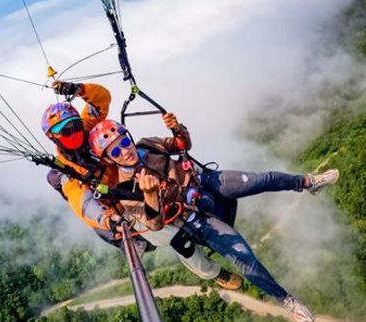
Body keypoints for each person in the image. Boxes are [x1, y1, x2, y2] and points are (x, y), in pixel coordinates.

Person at [88, 114, 340, 322]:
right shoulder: (126, 190)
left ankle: (308, 182)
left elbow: (182, 145)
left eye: (123, 142)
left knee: (260, 180)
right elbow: (154, 223)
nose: (124, 152)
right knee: (243, 257)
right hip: (191, 217)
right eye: (116, 151)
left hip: (202, 183)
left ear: (129, 138)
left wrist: (178, 128)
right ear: (109, 159)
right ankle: (288, 302)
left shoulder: (147, 145)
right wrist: (150, 194)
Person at [41, 81, 242, 289]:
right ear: (54, 138)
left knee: (191, 181)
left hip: (139, 173)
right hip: (126, 205)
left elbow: (101, 99)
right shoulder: (68, 172)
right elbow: (84, 204)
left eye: (75, 126)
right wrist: (109, 220)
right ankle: (212, 272)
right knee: (178, 238)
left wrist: (78, 89)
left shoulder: (88, 127)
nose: (73, 132)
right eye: (66, 132)